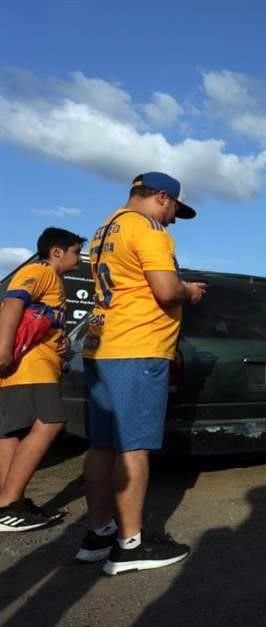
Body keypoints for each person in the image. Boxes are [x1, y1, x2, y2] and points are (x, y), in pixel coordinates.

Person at [77, 172, 206, 575]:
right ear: (161, 198)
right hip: (138, 347)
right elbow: (166, 290)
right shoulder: (149, 230)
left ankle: (100, 532)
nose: (171, 221)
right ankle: (130, 544)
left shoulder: (105, 229)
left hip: (102, 347)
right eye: (173, 211)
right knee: (133, 447)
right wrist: (189, 291)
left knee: (102, 446)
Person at [0, 228, 84, 531]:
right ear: (57, 252)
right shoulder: (40, 270)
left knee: (11, 432)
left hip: (28, 366)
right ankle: (8, 504)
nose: (78, 257)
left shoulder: (55, 282)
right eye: (75, 251)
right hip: (31, 366)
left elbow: (40, 319)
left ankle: (11, 503)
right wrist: (3, 349)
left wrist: (61, 342)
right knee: (51, 422)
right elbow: (13, 303)